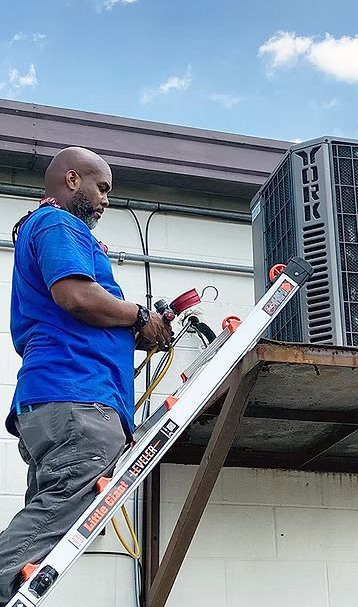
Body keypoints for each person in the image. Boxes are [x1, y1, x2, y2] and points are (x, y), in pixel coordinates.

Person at [0, 146, 171, 605]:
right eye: (102, 188)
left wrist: (139, 330)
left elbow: (81, 313)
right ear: (73, 180)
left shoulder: (43, 228)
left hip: (56, 399)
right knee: (53, 518)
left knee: (45, 529)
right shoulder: (59, 224)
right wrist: (139, 316)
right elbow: (76, 296)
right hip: (76, 398)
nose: (106, 200)